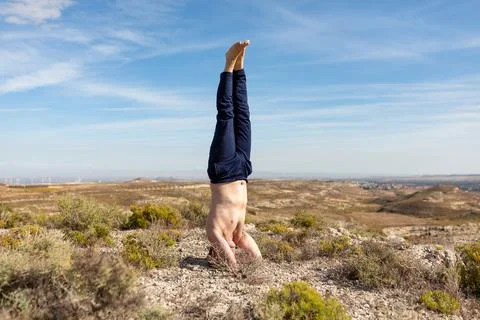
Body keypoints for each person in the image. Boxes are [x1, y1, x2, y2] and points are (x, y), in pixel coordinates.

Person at [206, 40, 262, 269]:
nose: (231, 248)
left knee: (226, 115)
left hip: (223, 169)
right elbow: (257, 257)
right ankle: (240, 67)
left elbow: (231, 261)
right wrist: (255, 264)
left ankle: (228, 64)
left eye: (221, 250)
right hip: (242, 170)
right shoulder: (239, 235)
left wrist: (234, 266)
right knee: (244, 115)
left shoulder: (213, 232)